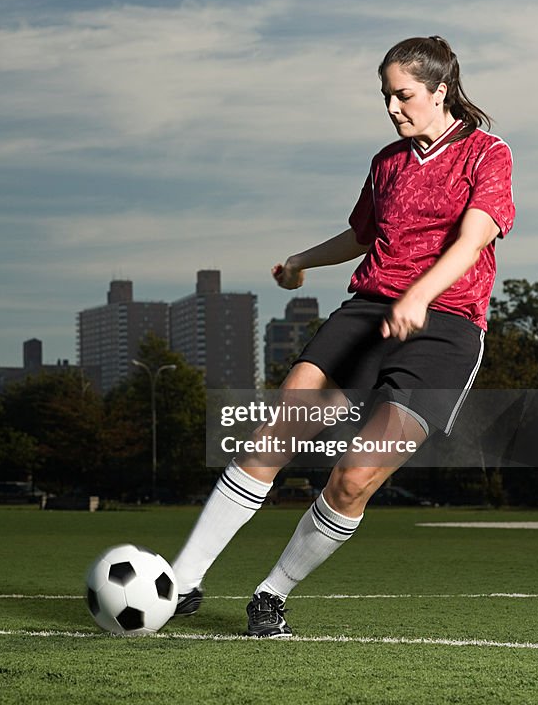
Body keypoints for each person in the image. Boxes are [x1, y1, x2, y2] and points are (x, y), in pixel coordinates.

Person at [172, 35, 515, 637]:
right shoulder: (386, 162)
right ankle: (183, 580)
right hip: (367, 312)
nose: (392, 108)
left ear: (440, 91)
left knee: (354, 475)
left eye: (403, 95)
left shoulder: (488, 154)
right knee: (274, 428)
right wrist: (299, 260)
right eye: (385, 97)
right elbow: (362, 234)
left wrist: (419, 296)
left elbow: (473, 240)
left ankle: (272, 593)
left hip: (447, 328)